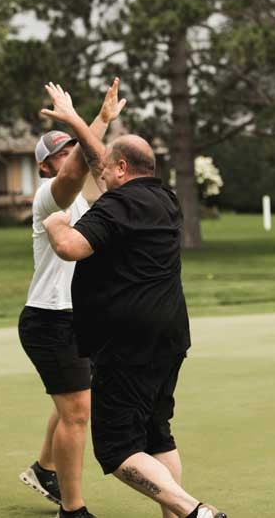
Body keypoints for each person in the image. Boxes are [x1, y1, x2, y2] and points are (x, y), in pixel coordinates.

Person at [40, 83, 227, 518]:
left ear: (122, 168)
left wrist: (54, 224)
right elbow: (102, 158)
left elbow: (70, 246)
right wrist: (77, 120)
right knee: (157, 435)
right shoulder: (165, 199)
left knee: (118, 449)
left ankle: (195, 511)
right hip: (170, 336)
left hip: (127, 344)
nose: (100, 175)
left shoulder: (116, 207)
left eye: (108, 171)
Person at [17, 78, 125, 518]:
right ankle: (72, 508)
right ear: (46, 168)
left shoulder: (83, 203)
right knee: (78, 411)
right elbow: (80, 166)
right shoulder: (51, 196)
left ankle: (45, 469)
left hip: (77, 317)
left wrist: (96, 123)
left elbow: (91, 161)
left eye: (70, 149)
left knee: (76, 401)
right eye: (60, 154)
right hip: (49, 318)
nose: (71, 157)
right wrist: (94, 121)